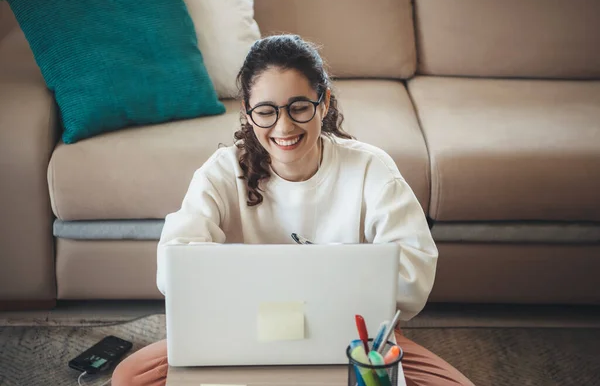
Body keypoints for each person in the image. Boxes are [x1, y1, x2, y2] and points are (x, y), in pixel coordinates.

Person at [112, 34, 474, 386]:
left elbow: (415, 275)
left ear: (325, 102)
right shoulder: (222, 171)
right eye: (266, 111)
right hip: (240, 333)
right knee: (131, 377)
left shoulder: (371, 169)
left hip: (350, 337)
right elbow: (174, 267)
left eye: (299, 107)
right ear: (248, 113)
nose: (284, 126)